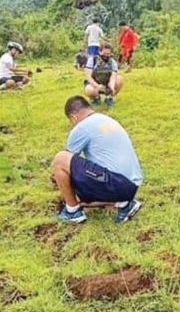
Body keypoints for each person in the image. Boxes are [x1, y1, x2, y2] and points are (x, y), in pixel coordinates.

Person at [52, 95, 143, 224]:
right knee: (75, 190)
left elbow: (66, 162)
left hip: (116, 184)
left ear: (73, 117)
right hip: (131, 185)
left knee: (60, 159)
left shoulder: (82, 127)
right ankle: (124, 203)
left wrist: (57, 179)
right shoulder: (106, 119)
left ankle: (72, 211)